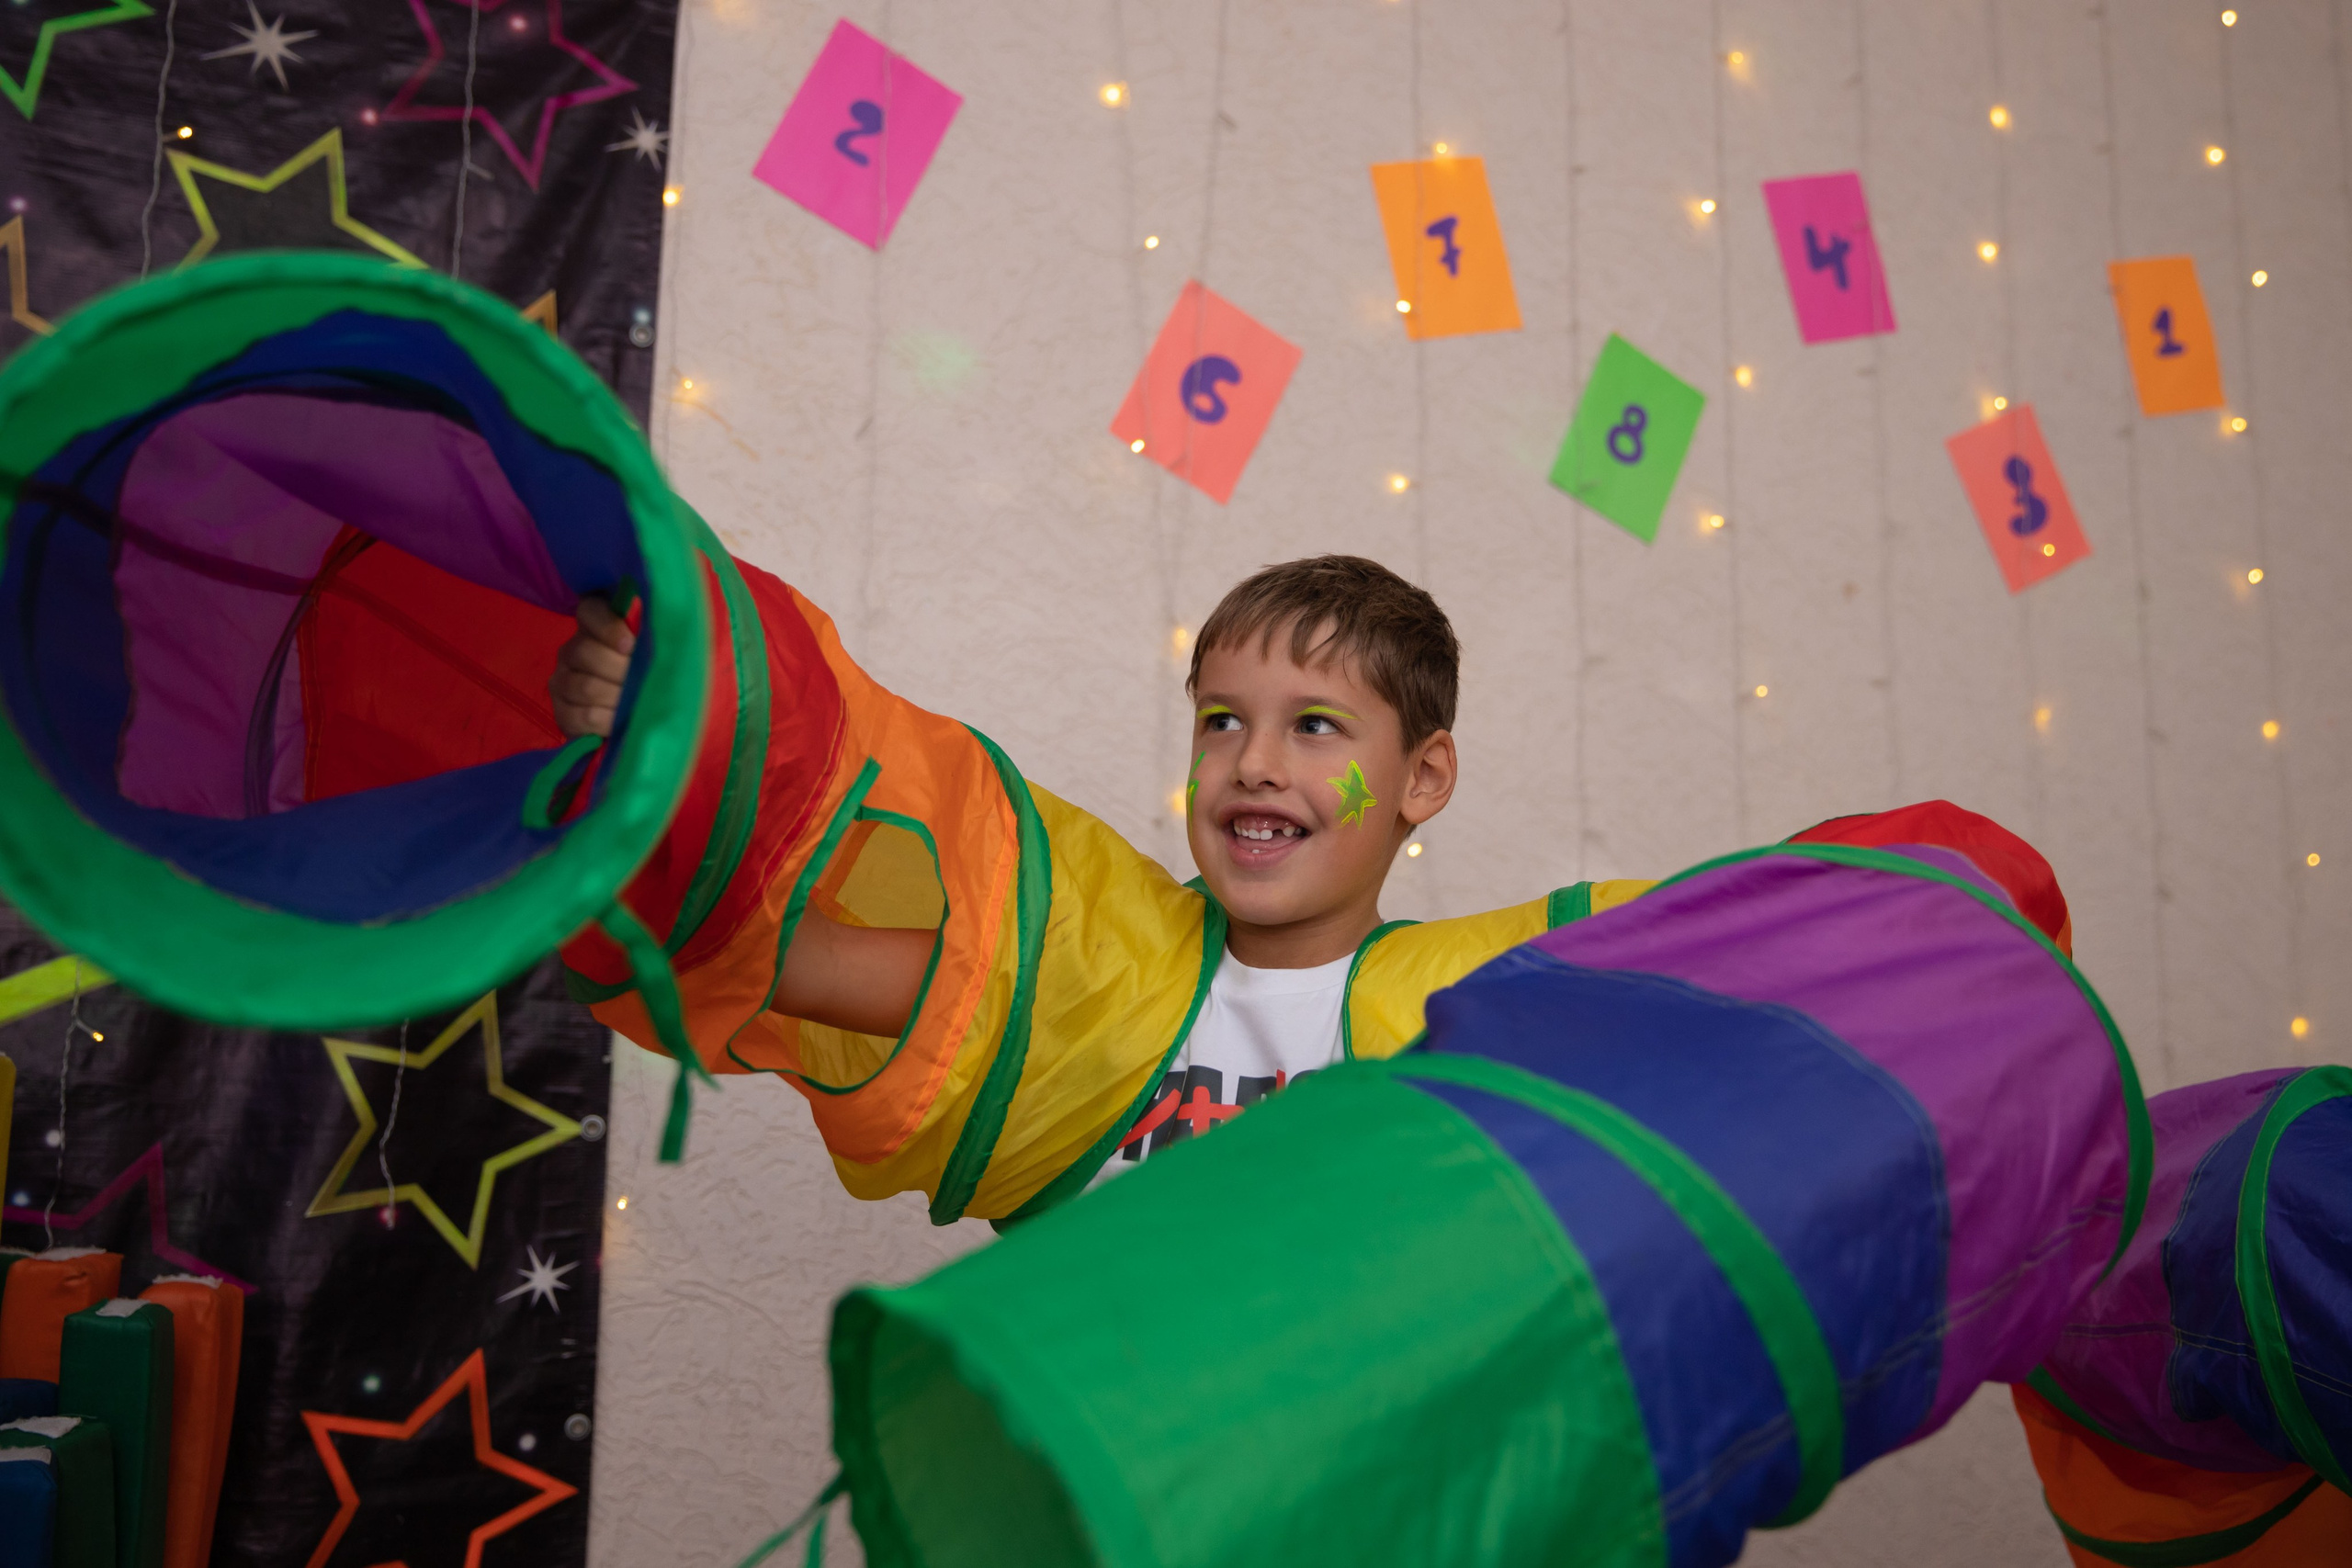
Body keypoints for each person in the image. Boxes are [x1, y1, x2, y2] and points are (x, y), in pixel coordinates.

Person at [550, 555, 1654, 1216]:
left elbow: (1740, 973)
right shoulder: (1078, 969)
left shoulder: (1469, 1012)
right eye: (1222, 720)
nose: (1254, 761)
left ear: (1422, 776)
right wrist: (677, 741)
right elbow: (767, 944)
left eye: (1315, 726)